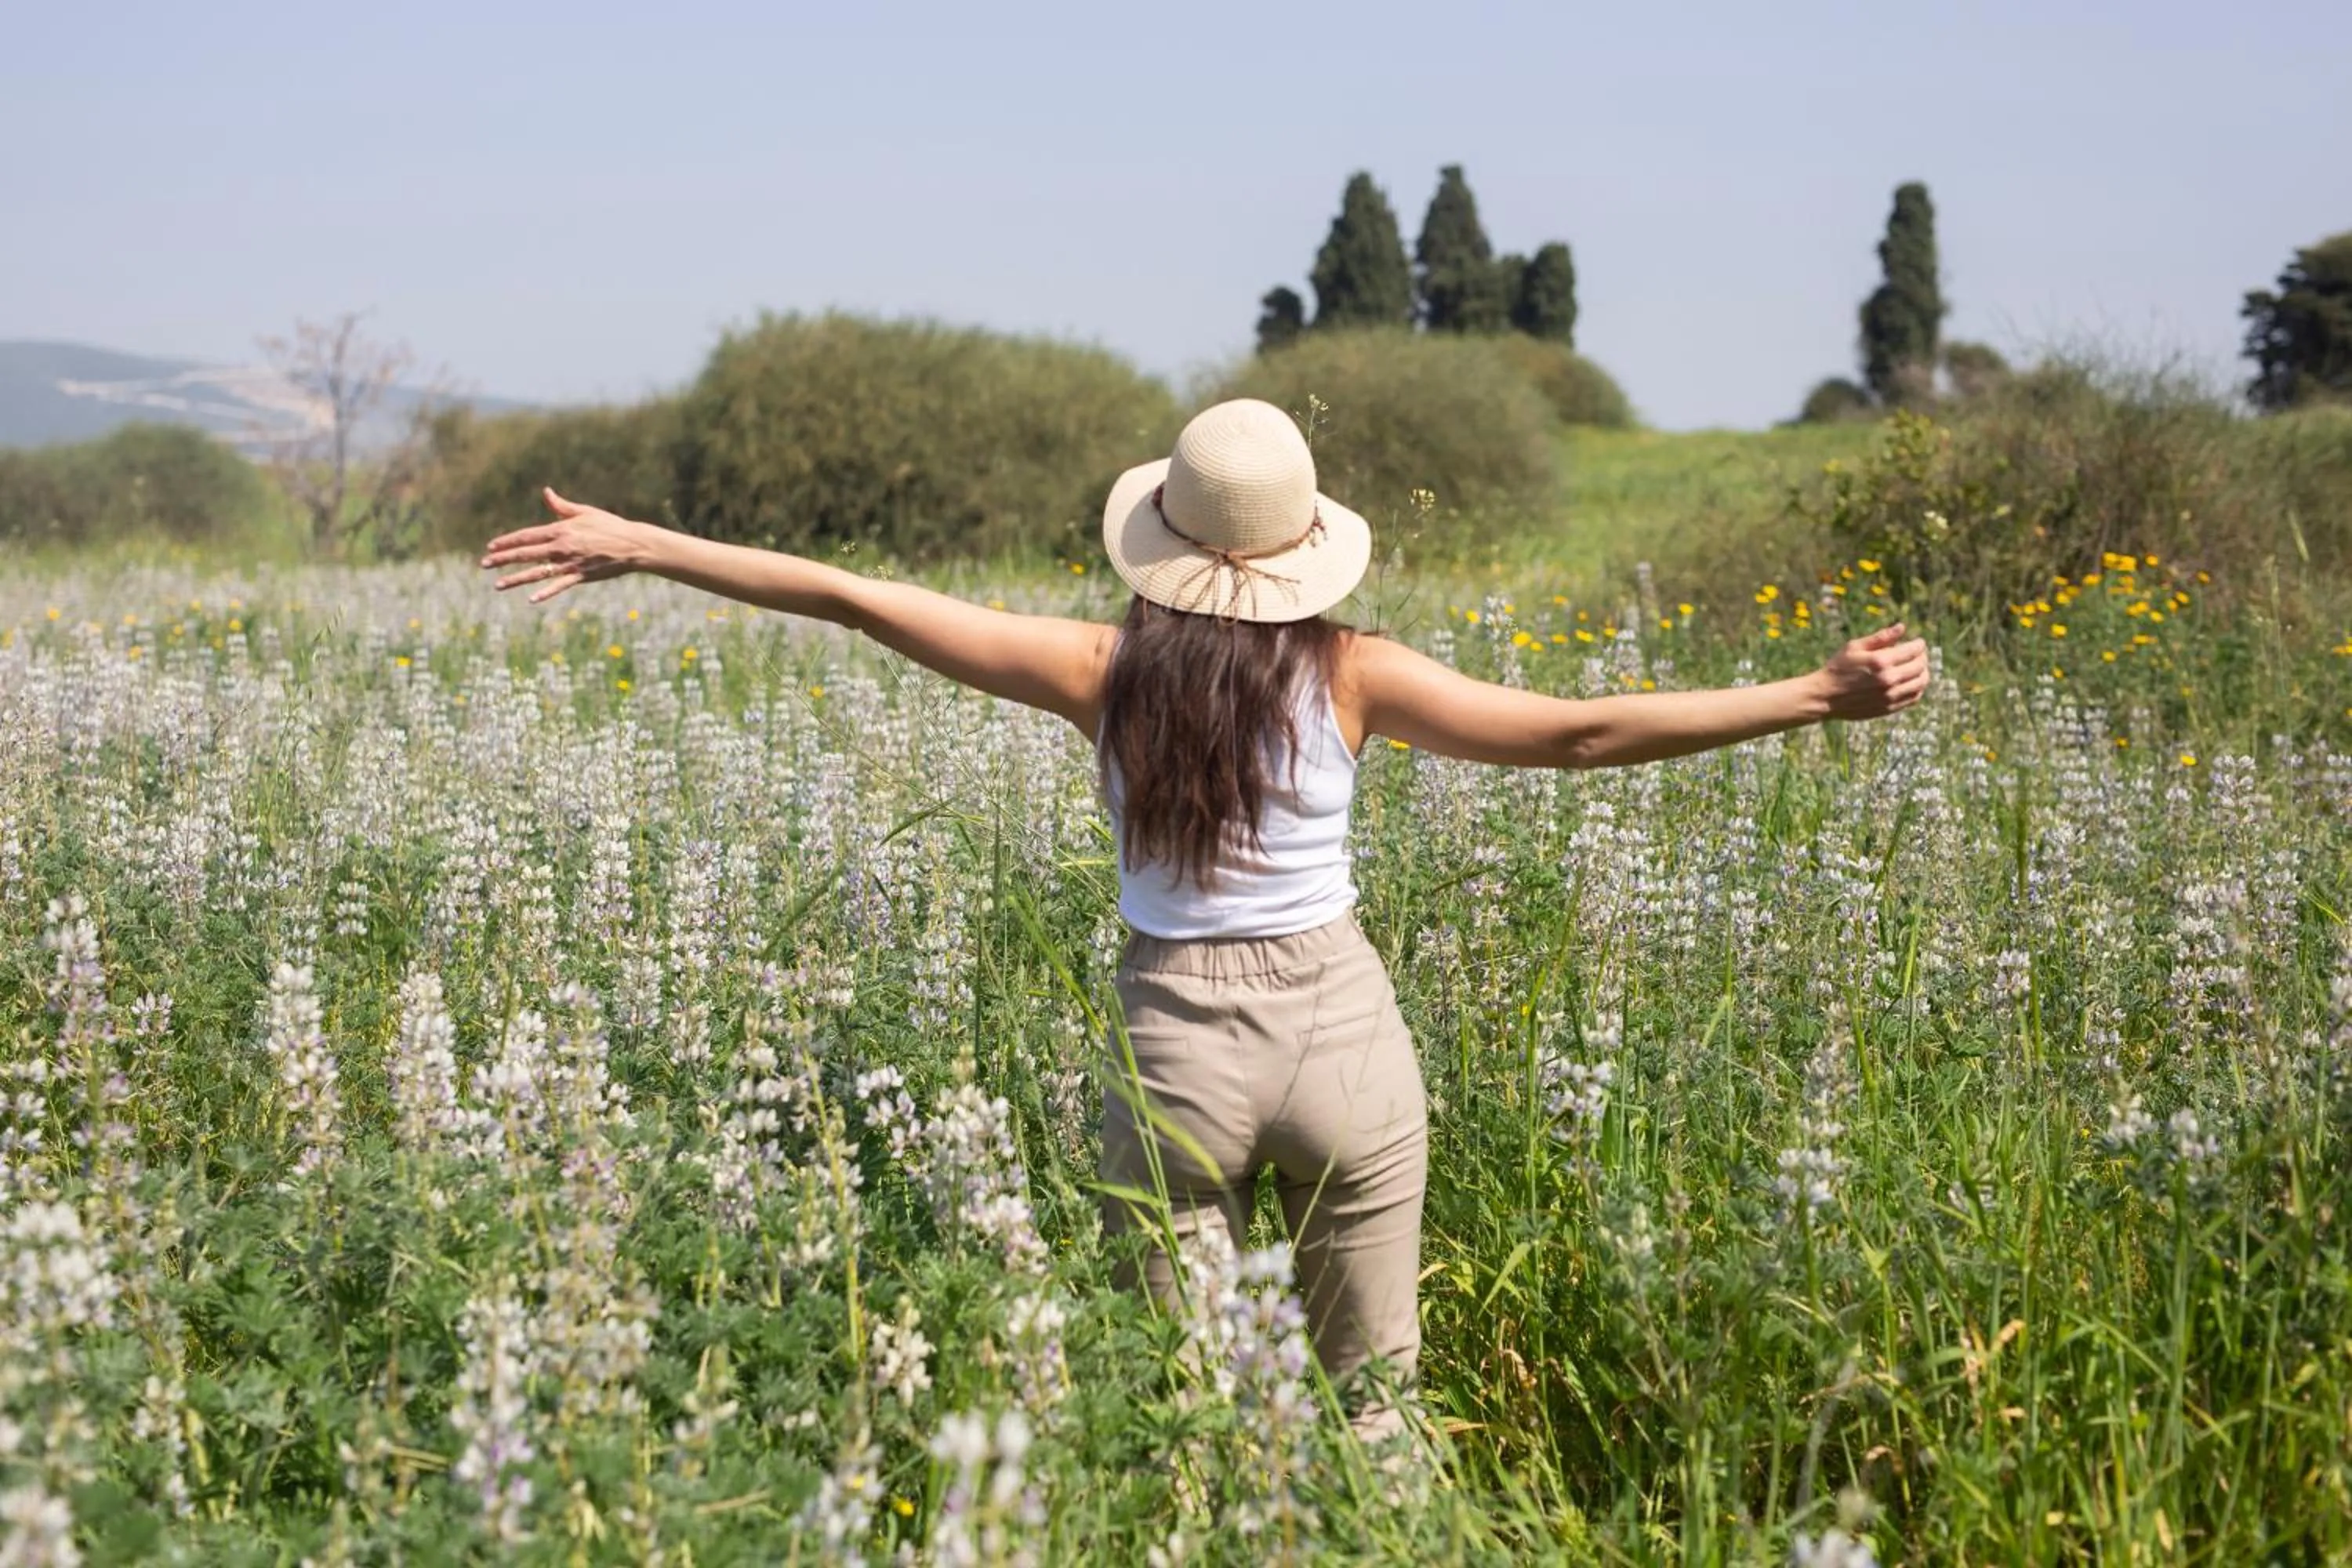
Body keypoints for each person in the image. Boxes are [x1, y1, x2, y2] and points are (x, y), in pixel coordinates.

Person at [480, 397, 1930, 1437]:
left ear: (1163, 539)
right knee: (1376, 1409)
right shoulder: (1359, 675)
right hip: (1345, 1042)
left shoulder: (1101, 668)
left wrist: (648, 545)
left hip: (1172, 1048)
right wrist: (1815, 694)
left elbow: (857, 596)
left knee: (1179, 1416)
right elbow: (1581, 734)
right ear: (1308, 547)